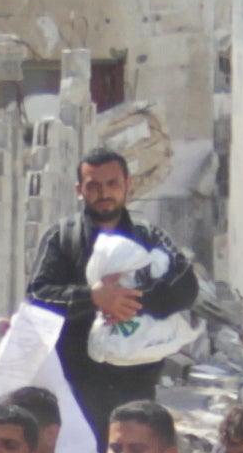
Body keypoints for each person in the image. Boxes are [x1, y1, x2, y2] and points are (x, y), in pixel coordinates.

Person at [23, 147, 201, 431]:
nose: (103, 193)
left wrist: (128, 302)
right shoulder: (62, 238)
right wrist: (92, 298)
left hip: (137, 386)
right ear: (80, 190)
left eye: (112, 184)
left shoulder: (150, 238)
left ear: (127, 185)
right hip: (75, 388)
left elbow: (186, 289)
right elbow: (37, 297)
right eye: (93, 185)